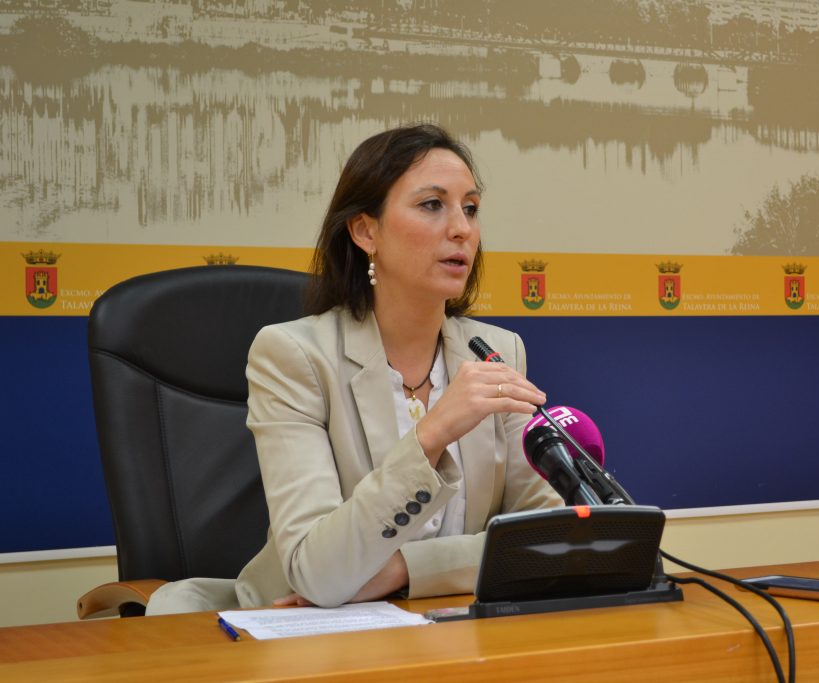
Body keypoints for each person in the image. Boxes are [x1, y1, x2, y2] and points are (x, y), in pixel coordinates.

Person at [146, 123, 561, 614]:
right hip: (299, 633)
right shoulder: (293, 356)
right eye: (433, 205)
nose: (462, 229)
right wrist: (430, 436)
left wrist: (404, 569)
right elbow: (320, 575)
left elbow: (548, 542)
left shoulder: (497, 351)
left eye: (470, 208)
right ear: (366, 231)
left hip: (445, 625)